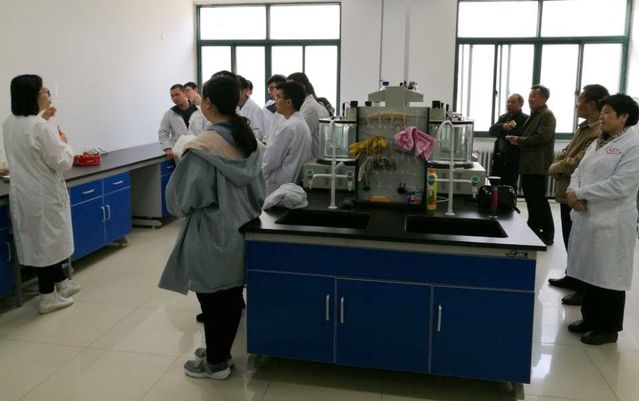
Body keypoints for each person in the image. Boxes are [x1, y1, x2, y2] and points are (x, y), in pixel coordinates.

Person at [158, 74, 265, 379]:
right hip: (241, 228)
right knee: (230, 297)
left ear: (206, 103)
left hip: (210, 233)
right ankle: (220, 351)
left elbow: (179, 202)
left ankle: (216, 363)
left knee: (212, 300)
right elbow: (260, 191)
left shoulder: (202, 149)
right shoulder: (249, 141)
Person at [2, 74, 81, 314]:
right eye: (44, 91)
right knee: (47, 245)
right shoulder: (39, 127)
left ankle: (62, 282)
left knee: (45, 242)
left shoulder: (10, 123)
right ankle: (47, 297)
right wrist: (64, 142)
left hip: (25, 193)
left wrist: (44, 119)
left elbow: (30, 142)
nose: (48, 94)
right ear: (33, 96)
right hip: (44, 194)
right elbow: (61, 161)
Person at [564, 93, 639, 345]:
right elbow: (578, 171)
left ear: (624, 117)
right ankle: (590, 318)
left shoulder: (634, 145)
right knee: (591, 270)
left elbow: (621, 185)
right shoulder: (600, 141)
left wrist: (581, 194)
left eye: (607, 112)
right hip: (588, 216)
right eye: (602, 111)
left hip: (612, 221)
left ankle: (608, 328)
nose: (602, 117)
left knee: (609, 275)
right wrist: (573, 192)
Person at [547, 84, 609, 306]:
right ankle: (572, 275)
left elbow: (579, 161)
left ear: (591, 104)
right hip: (567, 191)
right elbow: (567, 152)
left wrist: (556, 167)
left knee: (581, 244)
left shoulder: (598, 132)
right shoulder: (584, 127)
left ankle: (582, 288)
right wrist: (558, 165)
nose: (577, 104)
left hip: (579, 196)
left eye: (580, 99)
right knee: (570, 240)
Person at [506, 84, 556, 245]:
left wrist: (519, 140)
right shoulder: (534, 115)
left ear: (544, 98)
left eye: (534, 96)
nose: (530, 99)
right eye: (530, 96)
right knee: (531, 200)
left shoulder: (547, 115)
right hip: (528, 165)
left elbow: (542, 138)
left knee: (539, 200)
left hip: (537, 165)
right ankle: (533, 229)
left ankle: (548, 233)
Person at [262, 81, 313, 196]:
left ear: (289, 102)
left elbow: (270, 161)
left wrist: (258, 176)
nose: (275, 101)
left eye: (278, 97)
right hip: (290, 185)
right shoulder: (300, 123)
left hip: (278, 186)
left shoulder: (289, 127)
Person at [488, 94, 528, 188]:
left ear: (521, 104)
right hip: (498, 157)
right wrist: (503, 126)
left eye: (513, 102)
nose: (509, 104)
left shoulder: (525, 119)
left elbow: (519, 134)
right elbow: (492, 131)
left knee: (509, 185)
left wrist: (503, 132)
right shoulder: (503, 118)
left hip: (513, 158)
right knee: (494, 184)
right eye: (508, 102)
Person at [287, 72, 329, 159]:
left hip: (310, 159)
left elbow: (297, 137)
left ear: (302, 87)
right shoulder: (303, 105)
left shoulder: (311, 108)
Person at [158, 84, 198, 159]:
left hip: (198, 151)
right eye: (172, 96)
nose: (174, 98)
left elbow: (207, 130)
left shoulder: (199, 111)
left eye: (177, 94)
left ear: (184, 93)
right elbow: (163, 132)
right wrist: (167, 148)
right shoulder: (169, 114)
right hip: (179, 153)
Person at [237, 75, 265, 142]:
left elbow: (259, 133)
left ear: (244, 91)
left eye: (235, 91)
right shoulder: (232, 106)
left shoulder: (255, 109)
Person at [262, 74, 287, 144]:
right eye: (269, 89)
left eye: (272, 88)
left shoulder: (288, 110)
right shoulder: (268, 106)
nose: (270, 92)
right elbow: (264, 130)